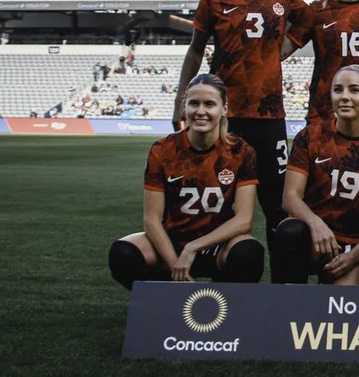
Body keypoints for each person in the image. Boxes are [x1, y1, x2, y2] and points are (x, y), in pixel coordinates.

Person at [172, 0, 313, 254]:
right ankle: (220, 275)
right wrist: (180, 99)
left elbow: (308, 21)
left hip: (268, 116)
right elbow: (194, 51)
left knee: (277, 204)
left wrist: (285, 48)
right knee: (219, 198)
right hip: (226, 116)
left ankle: (283, 286)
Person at [107, 74, 264, 289]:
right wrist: (175, 264)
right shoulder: (162, 150)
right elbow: (151, 220)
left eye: (209, 104)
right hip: (171, 243)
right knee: (122, 253)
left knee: (248, 253)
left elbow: (244, 221)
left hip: (217, 243)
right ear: (184, 106)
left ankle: (225, 307)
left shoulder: (241, 152)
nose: (201, 111)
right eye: (194, 103)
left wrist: (193, 248)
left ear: (224, 108)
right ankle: (167, 298)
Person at [274, 66, 359, 285]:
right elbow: (290, 197)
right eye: (338, 90)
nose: (344, 97)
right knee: (290, 230)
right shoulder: (310, 136)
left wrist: (356, 254)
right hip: (314, 238)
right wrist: (315, 223)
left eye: (354, 90)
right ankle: (289, 306)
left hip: (356, 242)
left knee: (341, 302)